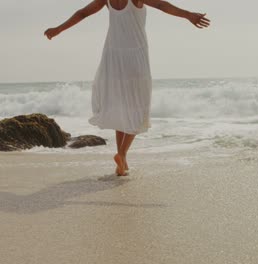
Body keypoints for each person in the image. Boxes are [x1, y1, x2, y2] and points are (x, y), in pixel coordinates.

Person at [44, 0, 210, 176]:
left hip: (113, 58)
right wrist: (188, 15)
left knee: (121, 109)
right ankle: (122, 154)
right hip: (135, 57)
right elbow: (161, 5)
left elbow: (82, 13)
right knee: (138, 109)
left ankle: (122, 162)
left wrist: (58, 29)